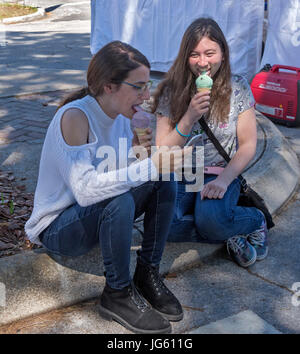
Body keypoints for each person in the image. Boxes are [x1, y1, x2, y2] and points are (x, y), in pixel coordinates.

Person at [25, 41, 188, 334]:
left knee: (163, 180)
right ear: (109, 86)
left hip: (94, 214)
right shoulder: (75, 117)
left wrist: (140, 153)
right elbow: (86, 190)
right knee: (122, 199)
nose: (146, 95)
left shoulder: (122, 116)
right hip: (59, 228)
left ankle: (147, 273)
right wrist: (150, 165)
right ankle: (117, 293)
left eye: (147, 85)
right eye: (138, 86)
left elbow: (118, 174)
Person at [152, 18, 268, 268]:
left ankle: (254, 220)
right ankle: (226, 231)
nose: (202, 62)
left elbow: (247, 144)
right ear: (185, 57)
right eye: (194, 55)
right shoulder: (170, 92)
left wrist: (224, 180)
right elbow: (162, 152)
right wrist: (189, 117)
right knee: (164, 227)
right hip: (181, 175)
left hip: (220, 173)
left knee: (210, 220)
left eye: (210, 53)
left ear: (223, 54)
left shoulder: (237, 88)